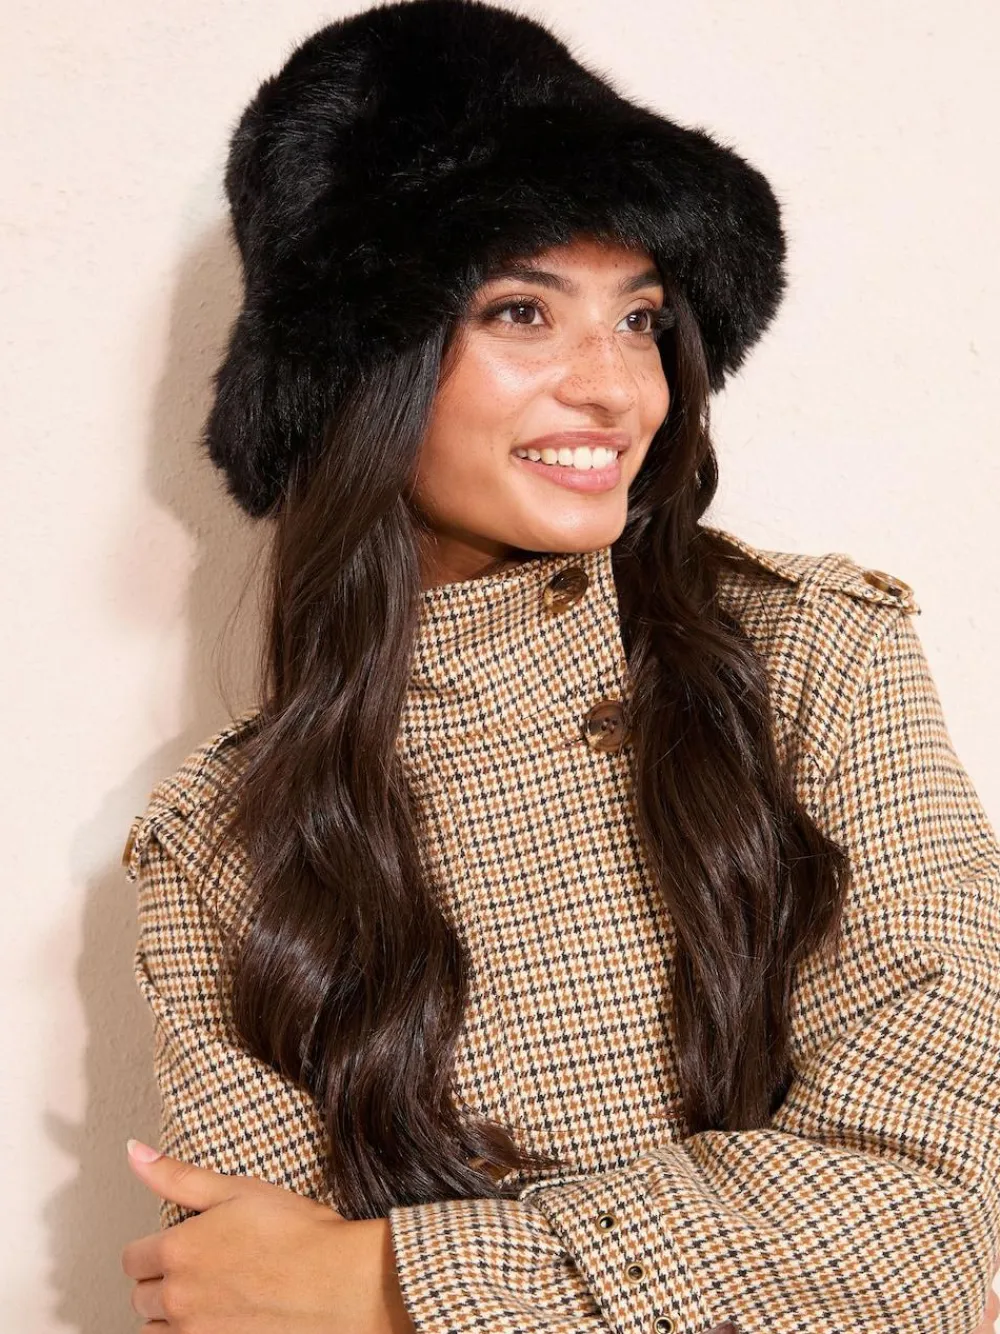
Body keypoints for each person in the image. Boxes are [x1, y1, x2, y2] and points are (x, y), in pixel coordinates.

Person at [118, 1, 1000, 1330]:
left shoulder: (815, 653)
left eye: (641, 319)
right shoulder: (221, 842)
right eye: (523, 311)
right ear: (365, 368)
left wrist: (393, 1281)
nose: (618, 388)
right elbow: (250, 1302)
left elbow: (926, 1216)